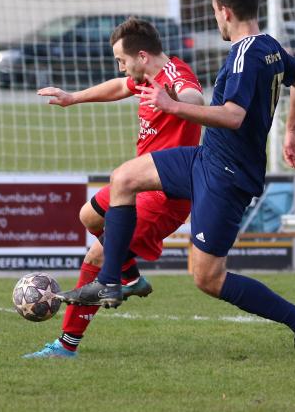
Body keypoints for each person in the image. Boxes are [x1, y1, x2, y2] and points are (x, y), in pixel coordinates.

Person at [58, 0, 295, 360]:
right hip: (205, 159)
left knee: (207, 277)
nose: (215, 19)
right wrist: (292, 131)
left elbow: (233, 116)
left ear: (225, 11)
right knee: (124, 178)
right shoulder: (270, 48)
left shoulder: (243, 56)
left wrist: (174, 107)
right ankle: (111, 282)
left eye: (214, 12)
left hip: (227, 176)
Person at [23, 18, 204, 359]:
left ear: (142, 55)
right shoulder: (145, 77)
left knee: (97, 254)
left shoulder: (176, 76)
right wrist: (72, 98)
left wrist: (175, 101)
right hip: (136, 185)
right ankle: (131, 277)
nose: (121, 68)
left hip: (165, 196)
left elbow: (195, 97)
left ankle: (65, 346)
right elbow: (120, 87)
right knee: (89, 216)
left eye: (122, 61)